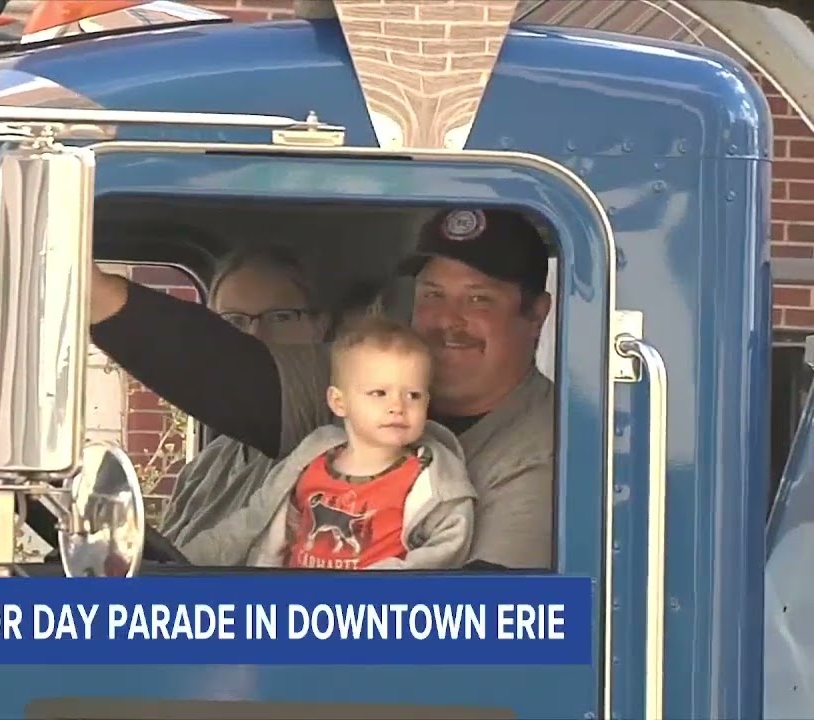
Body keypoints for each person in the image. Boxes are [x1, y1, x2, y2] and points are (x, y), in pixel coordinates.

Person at [91, 207, 554, 569]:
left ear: (536, 315)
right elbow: (232, 374)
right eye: (432, 294)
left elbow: (491, 618)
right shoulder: (357, 385)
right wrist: (95, 292)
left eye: (479, 299)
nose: (447, 320)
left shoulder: (544, 449)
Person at [188, 315, 476, 570]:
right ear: (339, 402)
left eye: (413, 395)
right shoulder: (310, 461)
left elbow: (444, 553)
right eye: (379, 393)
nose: (398, 407)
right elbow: (254, 521)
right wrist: (185, 561)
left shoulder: (431, 479)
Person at [158, 246, 325, 547]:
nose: (254, 336)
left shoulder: (326, 439)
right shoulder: (206, 466)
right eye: (234, 321)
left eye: (280, 317)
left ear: (319, 326)